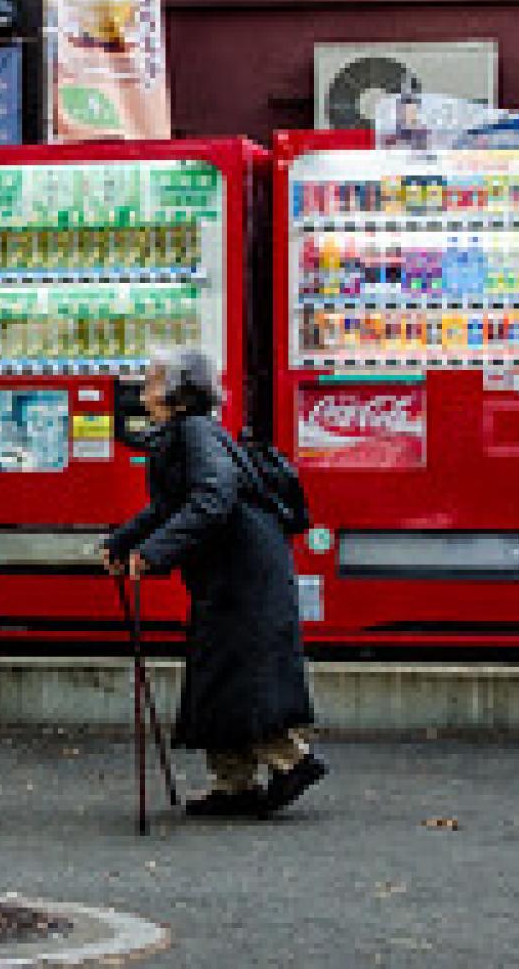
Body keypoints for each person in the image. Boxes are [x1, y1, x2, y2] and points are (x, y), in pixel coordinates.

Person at [101, 350, 327, 819]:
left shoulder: (195, 431)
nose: (142, 390)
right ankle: (234, 783)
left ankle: (293, 762)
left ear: (175, 390)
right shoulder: (183, 434)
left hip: (244, 576)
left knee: (238, 674)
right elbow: (168, 507)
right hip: (232, 573)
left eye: (151, 380)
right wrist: (124, 542)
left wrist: (155, 552)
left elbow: (211, 498)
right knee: (218, 674)